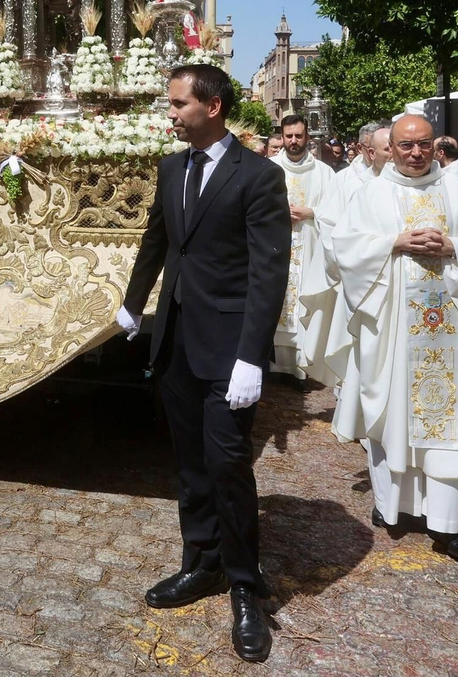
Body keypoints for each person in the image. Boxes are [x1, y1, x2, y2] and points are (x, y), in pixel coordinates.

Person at [114, 63, 289, 663]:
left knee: (228, 466)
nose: (170, 113)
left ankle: (246, 588)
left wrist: (251, 357)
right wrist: (133, 305)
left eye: (178, 103)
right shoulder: (171, 168)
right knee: (190, 465)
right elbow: (157, 240)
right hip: (177, 343)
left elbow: (269, 273)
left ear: (211, 107)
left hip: (229, 349)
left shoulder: (259, 177)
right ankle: (201, 563)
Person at [330, 114, 458, 566]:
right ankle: (395, 505)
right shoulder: (372, 193)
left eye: (423, 144)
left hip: (449, 326)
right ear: (390, 147)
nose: (414, 153)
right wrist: (393, 242)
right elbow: (345, 248)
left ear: (434, 145)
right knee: (393, 412)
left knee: (453, 423)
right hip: (392, 328)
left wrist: (453, 248)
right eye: (405, 146)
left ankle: (451, 523)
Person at [268, 114, 344, 387]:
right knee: (276, 300)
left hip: (311, 246)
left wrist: (313, 212)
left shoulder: (323, 173)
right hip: (277, 246)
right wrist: (278, 214)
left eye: (299, 136)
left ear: (307, 137)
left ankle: (302, 367)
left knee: (304, 300)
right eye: (289, 136)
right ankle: (274, 364)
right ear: (282, 136)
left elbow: (338, 212)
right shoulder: (269, 168)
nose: (293, 141)